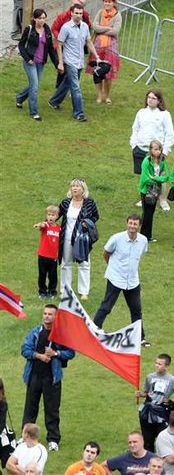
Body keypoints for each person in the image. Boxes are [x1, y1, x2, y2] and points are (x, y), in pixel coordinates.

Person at [21, 303, 76, 453]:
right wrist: (38, 356)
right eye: (45, 313)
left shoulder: (61, 335)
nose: (46, 316)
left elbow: (71, 353)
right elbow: (24, 349)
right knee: (30, 408)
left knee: (52, 410)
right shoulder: (35, 332)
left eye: (50, 314)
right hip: (34, 376)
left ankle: (53, 439)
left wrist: (55, 354)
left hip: (52, 378)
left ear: (56, 316)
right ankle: (26, 436)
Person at [92, 214, 150, 343]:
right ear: (126, 224)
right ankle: (94, 331)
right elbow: (105, 253)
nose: (132, 226)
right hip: (116, 278)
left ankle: (140, 338)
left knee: (136, 310)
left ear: (139, 226)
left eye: (135, 224)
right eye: (130, 223)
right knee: (106, 307)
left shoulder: (143, 240)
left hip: (133, 281)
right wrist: (113, 267)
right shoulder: (117, 238)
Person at [48, 3, 101, 122]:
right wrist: (61, 63)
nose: (78, 15)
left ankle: (54, 101)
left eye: (80, 13)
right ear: (71, 13)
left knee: (67, 83)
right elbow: (60, 45)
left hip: (79, 61)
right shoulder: (66, 27)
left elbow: (88, 42)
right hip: (70, 61)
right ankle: (78, 113)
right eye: (76, 13)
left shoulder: (85, 27)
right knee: (76, 88)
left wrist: (96, 56)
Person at [130, 89, 174, 210]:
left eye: (153, 98)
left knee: (160, 175)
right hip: (141, 147)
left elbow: (170, 134)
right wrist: (133, 144)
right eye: (149, 97)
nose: (150, 100)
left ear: (159, 101)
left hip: (156, 150)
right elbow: (135, 128)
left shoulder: (164, 114)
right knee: (145, 175)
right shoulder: (141, 112)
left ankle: (162, 200)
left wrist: (165, 150)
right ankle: (144, 197)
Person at [56, 177, 100, 302]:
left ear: (83, 189)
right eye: (73, 186)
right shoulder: (65, 203)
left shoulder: (89, 203)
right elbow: (55, 215)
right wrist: (45, 224)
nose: (74, 188)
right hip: (66, 237)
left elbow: (96, 216)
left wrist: (88, 222)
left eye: (77, 186)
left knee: (84, 264)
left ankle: (84, 292)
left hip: (81, 238)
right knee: (66, 263)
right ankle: (65, 290)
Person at [136, 354, 174, 450]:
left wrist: (172, 402)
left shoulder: (171, 379)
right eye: (156, 363)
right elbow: (147, 392)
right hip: (148, 410)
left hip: (161, 412)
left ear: (166, 366)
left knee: (163, 437)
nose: (157, 365)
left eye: (160, 364)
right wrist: (140, 394)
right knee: (147, 438)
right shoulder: (150, 377)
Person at [15, 9, 58, 121]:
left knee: (34, 85)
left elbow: (50, 49)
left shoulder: (47, 30)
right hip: (30, 62)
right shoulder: (29, 29)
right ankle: (34, 112)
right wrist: (27, 59)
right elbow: (21, 45)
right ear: (34, 18)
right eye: (39, 18)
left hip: (40, 63)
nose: (42, 20)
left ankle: (19, 98)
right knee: (34, 86)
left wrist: (57, 64)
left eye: (44, 18)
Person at [86, 0, 121, 105]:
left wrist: (101, 29)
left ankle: (107, 96)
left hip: (111, 46)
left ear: (113, 3)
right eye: (105, 1)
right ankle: (99, 95)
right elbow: (94, 26)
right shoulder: (100, 12)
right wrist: (107, 28)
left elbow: (116, 31)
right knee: (98, 70)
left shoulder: (117, 15)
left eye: (109, 1)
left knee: (108, 72)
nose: (107, 3)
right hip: (98, 45)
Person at [137, 140, 167, 243]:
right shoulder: (146, 161)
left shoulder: (162, 161)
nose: (158, 151)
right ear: (150, 150)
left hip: (155, 191)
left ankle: (147, 235)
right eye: (155, 149)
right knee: (147, 213)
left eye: (159, 149)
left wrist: (155, 178)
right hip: (146, 191)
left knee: (151, 212)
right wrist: (157, 179)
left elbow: (165, 177)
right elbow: (145, 178)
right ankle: (143, 236)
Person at [32, 205, 60, 299]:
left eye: (53, 215)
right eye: (49, 215)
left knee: (53, 275)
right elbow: (42, 225)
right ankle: (42, 292)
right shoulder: (46, 225)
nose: (50, 217)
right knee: (42, 274)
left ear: (57, 216)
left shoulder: (59, 229)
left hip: (53, 257)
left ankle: (52, 291)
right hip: (43, 255)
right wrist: (38, 225)